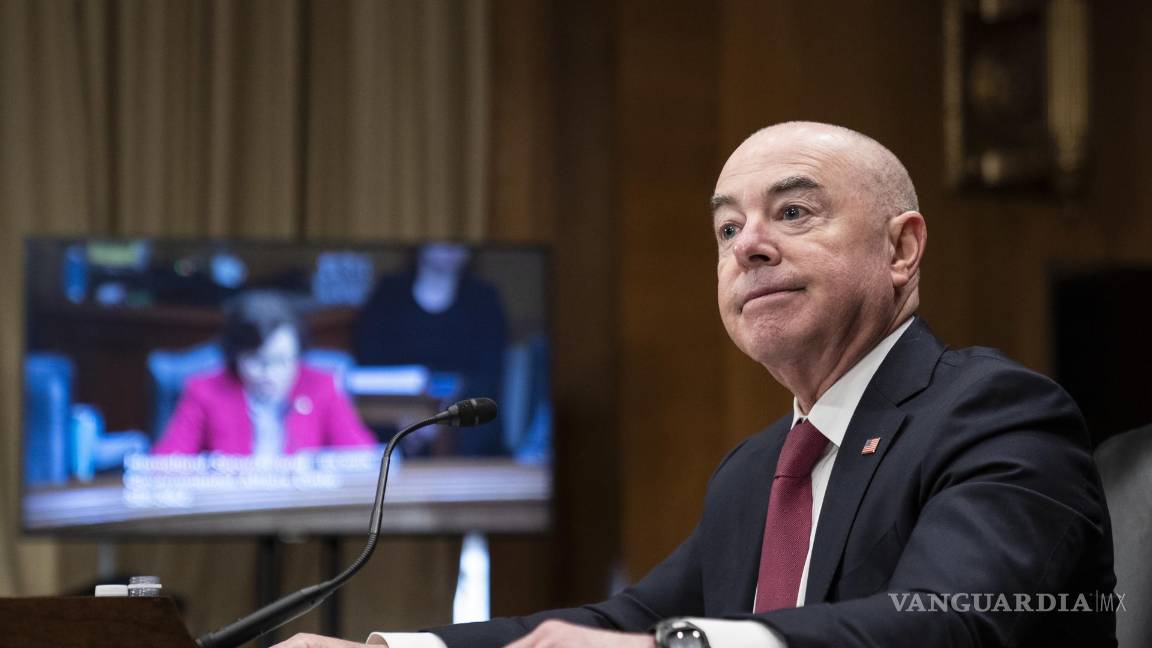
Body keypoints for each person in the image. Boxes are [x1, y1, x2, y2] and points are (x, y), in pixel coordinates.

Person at [273, 122, 1116, 647]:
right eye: (725, 227)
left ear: (901, 249)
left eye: (792, 212)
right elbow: (625, 621)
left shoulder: (994, 413)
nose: (747, 245)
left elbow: (953, 625)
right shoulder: (759, 469)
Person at [153, 291, 377, 456]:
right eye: (256, 360)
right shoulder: (204, 391)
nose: (269, 373)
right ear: (235, 355)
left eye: (281, 361)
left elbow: (362, 457)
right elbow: (166, 464)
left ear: (298, 354)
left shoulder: (322, 386)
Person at [354, 242, 508, 456]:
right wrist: (407, 418)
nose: (450, 244)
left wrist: (440, 418)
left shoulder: (485, 300)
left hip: (466, 426)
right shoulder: (385, 297)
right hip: (392, 420)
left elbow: (489, 377)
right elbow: (371, 372)